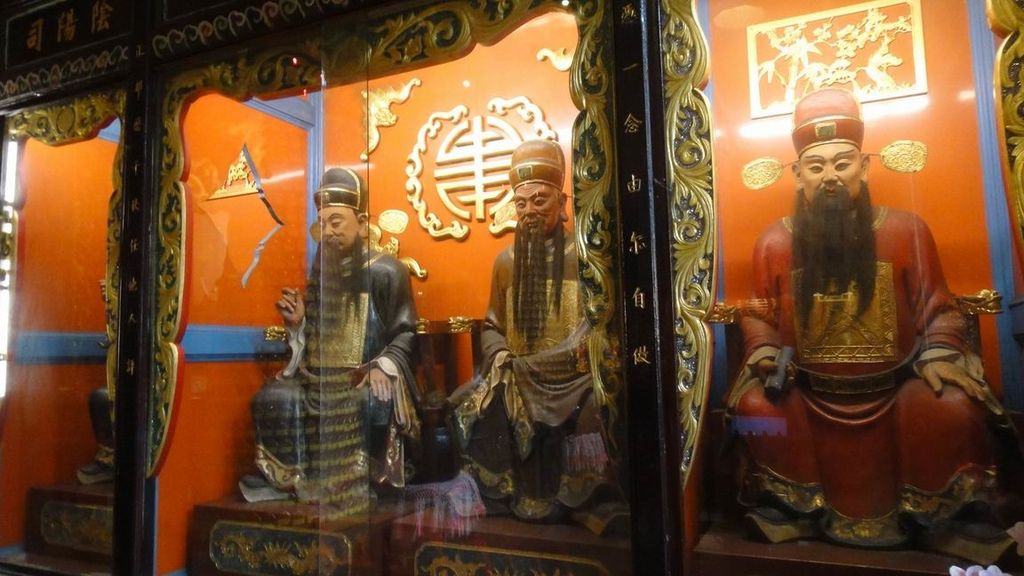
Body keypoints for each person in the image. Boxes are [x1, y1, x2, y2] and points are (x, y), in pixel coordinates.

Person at [727, 88, 1019, 562]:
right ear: (797, 174)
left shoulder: (905, 231)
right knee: (754, 406)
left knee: (953, 407)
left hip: (896, 389)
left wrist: (939, 354)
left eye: (841, 163)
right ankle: (792, 509)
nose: (830, 177)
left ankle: (939, 517)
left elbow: (939, 308)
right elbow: (758, 312)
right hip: (806, 392)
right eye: (816, 166)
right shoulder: (775, 241)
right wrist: (764, 353)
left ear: (863, 167)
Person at [451, 139, 623, 533]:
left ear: (562, 203)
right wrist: (499, 355)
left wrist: (554, 362)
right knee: (466, 402)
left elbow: (599, 325)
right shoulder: (505, 262)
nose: (529, 210)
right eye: (521, 203)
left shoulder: (586, 257)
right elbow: (492, 324)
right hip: (517, 373)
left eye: (540, 200)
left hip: (573, 376)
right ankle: (503, 493)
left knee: (597, 406)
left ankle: (579, 498)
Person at [240, 167, 420, 512]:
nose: (327, 232)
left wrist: (383, 365)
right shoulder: (321, 274)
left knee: (370, 401)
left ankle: (355, 483)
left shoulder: (387, 271)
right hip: (318, 380)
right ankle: (293, 481)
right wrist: (298, 324)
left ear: (362, 223)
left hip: (363, 377)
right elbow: (315, 340)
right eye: (322, 224)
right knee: (273, 398)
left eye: (336, 222)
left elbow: (405, 332)